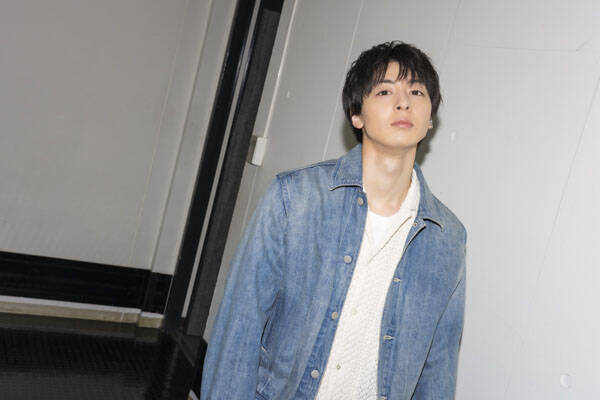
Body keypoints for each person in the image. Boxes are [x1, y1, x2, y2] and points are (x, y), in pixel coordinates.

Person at [201, 41, 466, 400]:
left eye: (416, 91)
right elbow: (240, 326)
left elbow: (439, 367)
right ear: (357, 115)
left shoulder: (447, 237)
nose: (404, 102)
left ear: (430, 117)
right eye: (385, 91)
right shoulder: (295, 198)